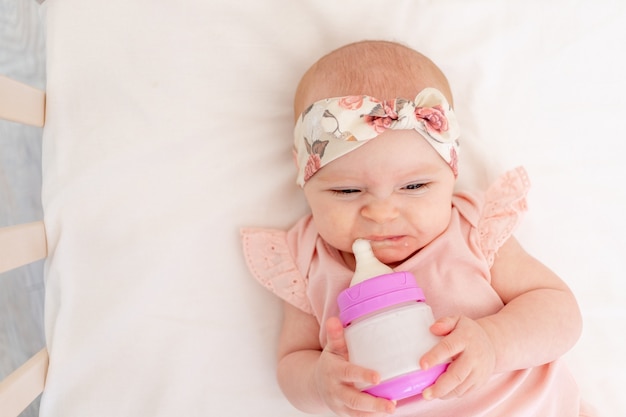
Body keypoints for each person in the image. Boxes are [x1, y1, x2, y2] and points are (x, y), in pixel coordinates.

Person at [241, 40, 589, 416]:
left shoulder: (472, 230)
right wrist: (318, 383)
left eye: (414, 187)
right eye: (347, 190)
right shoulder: (308, 259)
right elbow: (294, 360)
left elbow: (560, 311)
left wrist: (493, 342)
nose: (382, 213)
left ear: (451, 173)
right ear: (303, 176)